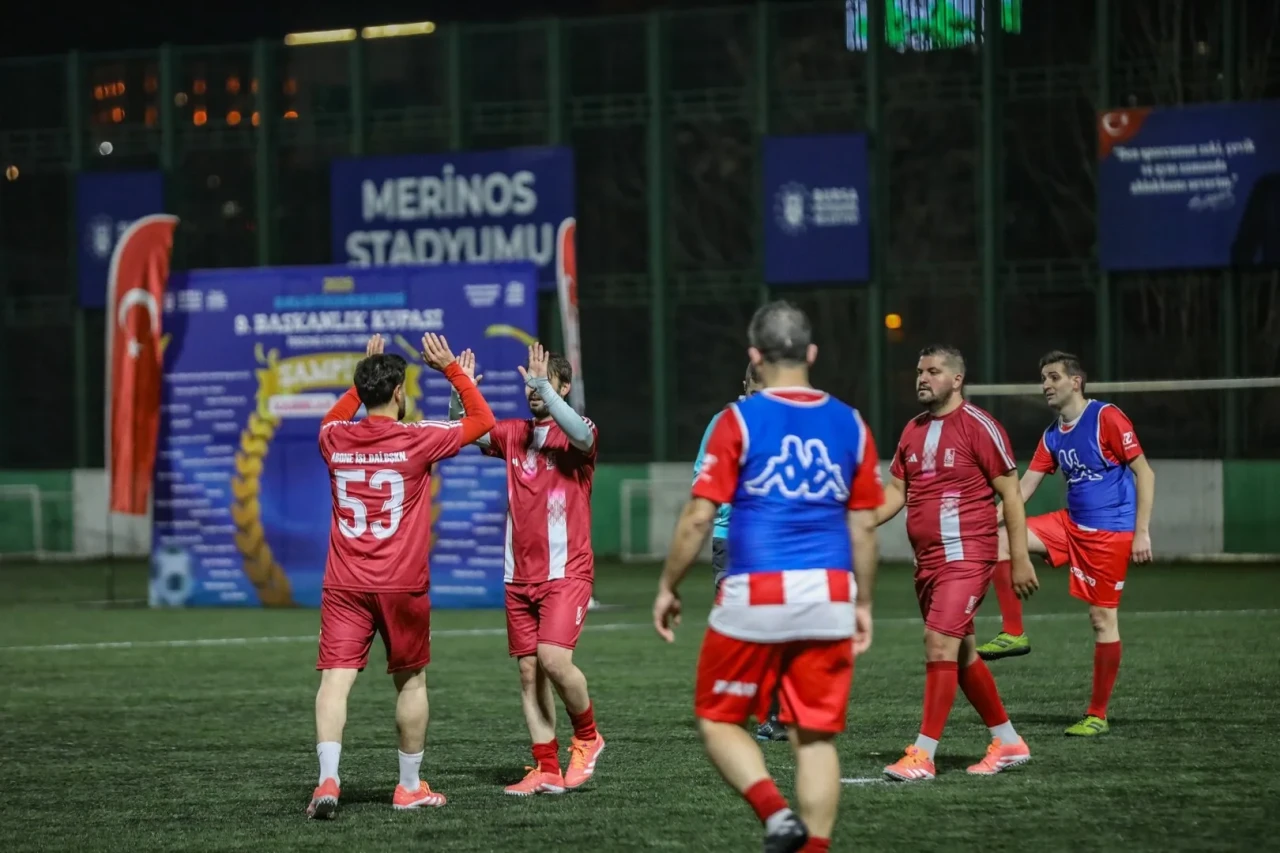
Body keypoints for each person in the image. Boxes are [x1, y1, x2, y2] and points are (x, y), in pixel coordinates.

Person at [654, 300, 882, 853]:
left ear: (755, 356)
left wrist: (668, 586)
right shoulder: (850, 422)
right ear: (812, 353)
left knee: (717, 719)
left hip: (754, 591)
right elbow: (863, 527)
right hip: (829, 591)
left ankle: (775, 815)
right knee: (815, 740)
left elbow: (700, 516)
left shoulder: (737, 420)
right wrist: (863, 602)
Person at [308, 332, 494, 819]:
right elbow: (483, 422)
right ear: (397, 393)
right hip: (401, 585)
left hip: (345, 583)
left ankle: (328, 780)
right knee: (411, 684)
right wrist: (453, 370)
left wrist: (361, 380)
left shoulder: (333, 438)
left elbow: (335, 417)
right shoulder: (417, 439)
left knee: (334, 683)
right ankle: (408, 788)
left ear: (362, 391)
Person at [448, 343, 605, 796]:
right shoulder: (514, 433)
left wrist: (545, 390)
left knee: (554, 660)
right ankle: (547, 768)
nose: (533, 389)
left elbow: (582, 436)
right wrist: (460, 394)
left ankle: (588, 737)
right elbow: (463, 433)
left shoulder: (579, 432)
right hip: (518, 577)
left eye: (544, 382)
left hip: (566, 571)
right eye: (530, 383)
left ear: (563, 387)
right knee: (529, 672)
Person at [875, 344, 1033, 782]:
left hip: (967, 554)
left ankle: (923, 755)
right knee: (961, 653)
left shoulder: (979, 426)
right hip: (927, 563)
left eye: (933, 371)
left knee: (938, 643)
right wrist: (856, 520)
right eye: (919, 371)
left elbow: (1011, 494)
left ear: (957, 379)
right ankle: (1008, 742)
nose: (922, 379)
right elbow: (896, 492)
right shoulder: (912, 430)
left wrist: (1019, 557)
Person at [976, 351, 1155, 736]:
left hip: (1110, 533)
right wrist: (981, 522)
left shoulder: (1106, 417)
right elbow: (1022, 489)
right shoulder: (1053, 434)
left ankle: (1097, 715)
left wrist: (1142, 531)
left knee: (1102, 619)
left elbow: (1145, 472)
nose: (1046, 384)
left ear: (1076, 381)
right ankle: (1014, 633)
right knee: (1001, 540)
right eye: (1043, 378)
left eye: (1054, 377)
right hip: (1070, 524)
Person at [690, 364, 784, 743]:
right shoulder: (725, 423)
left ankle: (773, 712)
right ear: (745, 385)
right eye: (756, 389)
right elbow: (702, 476)